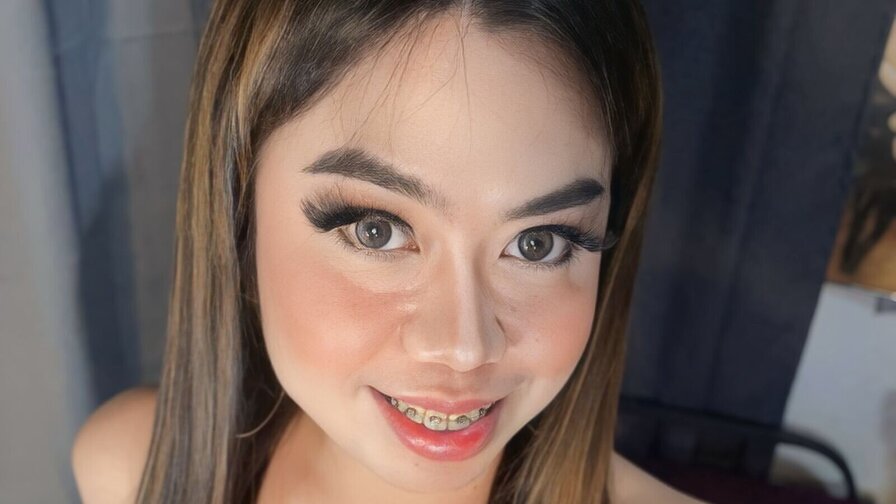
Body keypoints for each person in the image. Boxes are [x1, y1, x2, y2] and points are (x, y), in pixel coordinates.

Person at [71, 1, 705, 502]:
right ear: (239, 208)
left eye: (537, 244)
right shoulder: (130, 468)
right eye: (376, 230)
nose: (463, 348)